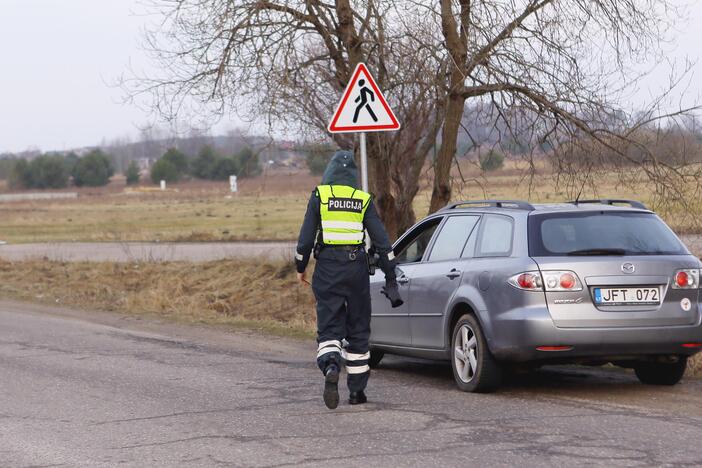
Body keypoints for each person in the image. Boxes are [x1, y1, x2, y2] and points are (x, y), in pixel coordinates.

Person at [295, 150, 403, 409]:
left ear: (330, 172)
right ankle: (357, 392)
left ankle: (332, 365)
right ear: (353, 175)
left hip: (328, 268)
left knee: (330, 325)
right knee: (357, 328)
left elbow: (306, 239)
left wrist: (300, 265)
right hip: (356, 269)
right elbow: (381, 241)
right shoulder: (363, 199)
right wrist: (390, 275)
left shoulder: (320, 196)